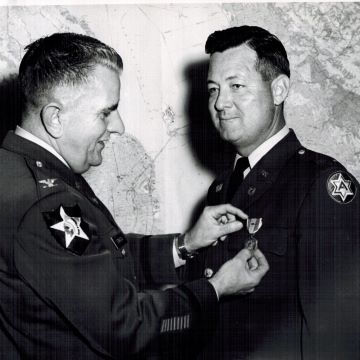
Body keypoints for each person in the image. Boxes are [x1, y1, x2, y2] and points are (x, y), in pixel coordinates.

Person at [0, 32, 269, 359]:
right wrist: (216, 289)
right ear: (55, 118)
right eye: (105, 112)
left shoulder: (27, 171)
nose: (119, 126)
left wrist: (185, 244)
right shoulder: (43, 202)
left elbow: (96, 257)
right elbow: (125, 325)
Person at [183, 25, 360, 359]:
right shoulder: (220, 190)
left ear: (279, 90)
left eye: (236, 86)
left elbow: (338, 334)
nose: (220, 102)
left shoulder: (320, 184)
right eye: (212, 89)